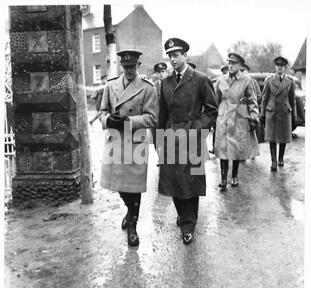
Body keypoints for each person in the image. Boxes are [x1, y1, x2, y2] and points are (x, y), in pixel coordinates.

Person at [157, 37, 218, 245]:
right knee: (173, 182)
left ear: (185, 56)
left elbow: (211, 110)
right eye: (170, 56)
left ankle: (188, 225)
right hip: (171, 138)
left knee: (191, 183)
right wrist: (159, 141)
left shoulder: (200, 79)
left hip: (192, 136)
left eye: (176, 55)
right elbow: (162, 114)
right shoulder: (165, 83)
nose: (173, 60)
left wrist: (197, 129)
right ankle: (183, 215)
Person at [98, 49, 158, 246]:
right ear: (121, 66)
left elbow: (152, 118)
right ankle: (129, 211)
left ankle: (132, 225)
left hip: (135, 142)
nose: (129, 70)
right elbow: (102, 112)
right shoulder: (111, 85)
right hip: (115, 141)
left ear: (138, 66)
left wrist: (127, 120)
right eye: (126, 67)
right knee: (119, 185)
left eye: (133, 66)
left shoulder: (148, 88)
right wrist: (108, 120)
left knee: (134, 187)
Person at [214, 53, 259, 190]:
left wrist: (253, 117)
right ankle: (223, 178)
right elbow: (215, 100)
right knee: (223, 147)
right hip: (223, 117)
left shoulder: (247, 80)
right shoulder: (221, 80)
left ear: (240, 65)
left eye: (233, 63)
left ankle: (234, 176)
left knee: (237, 148)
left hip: (239, 117)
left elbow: (252, 101)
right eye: (229, 63)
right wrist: (212, 117)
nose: (230, 65)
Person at [260, 56, 297, 171]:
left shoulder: (290, 82)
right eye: (278, 65)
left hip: (285, 113)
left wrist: (294, 115)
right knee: (272, 138)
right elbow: (264, 99)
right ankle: (273, 161)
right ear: (275, 67)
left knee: (283, 137)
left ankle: (280, 158)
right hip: (272, 113)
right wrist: (262, 113)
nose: (279, 67)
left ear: (285, 67)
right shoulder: (269, 81)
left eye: (282, 66)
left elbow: (292, 100)